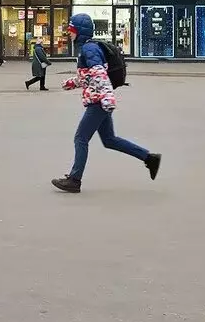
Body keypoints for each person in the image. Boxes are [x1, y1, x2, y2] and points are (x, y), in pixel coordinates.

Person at [51, 14, 161, 193]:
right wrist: (72, 82)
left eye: (71, 30)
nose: (69, 34)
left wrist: (107, 98)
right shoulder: (88, 48)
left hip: (98, 102)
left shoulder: (89, 49)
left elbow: (100, 74)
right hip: (101, 100)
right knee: (109, 140)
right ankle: (149, 158)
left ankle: (74, 179)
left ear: (79, 32)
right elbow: (89, 76)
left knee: (81, 138)